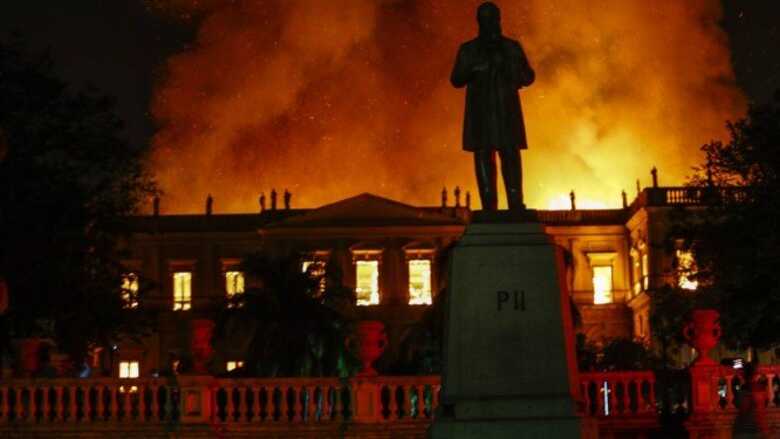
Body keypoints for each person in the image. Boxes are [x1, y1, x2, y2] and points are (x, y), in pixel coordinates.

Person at [451, 1, 535, 210]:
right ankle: (489, 205)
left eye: (493, 19)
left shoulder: (511, 47)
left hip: (506, 111)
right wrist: (475, 69)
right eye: (485, 19)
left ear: (499, 20)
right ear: (479, 22)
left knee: (510, 155)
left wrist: (512, 70)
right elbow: (456, 79)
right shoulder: (468, 50)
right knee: (483, 156)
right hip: (481, 114)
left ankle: (516, 202)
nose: (490, 23)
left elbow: (528, 76)